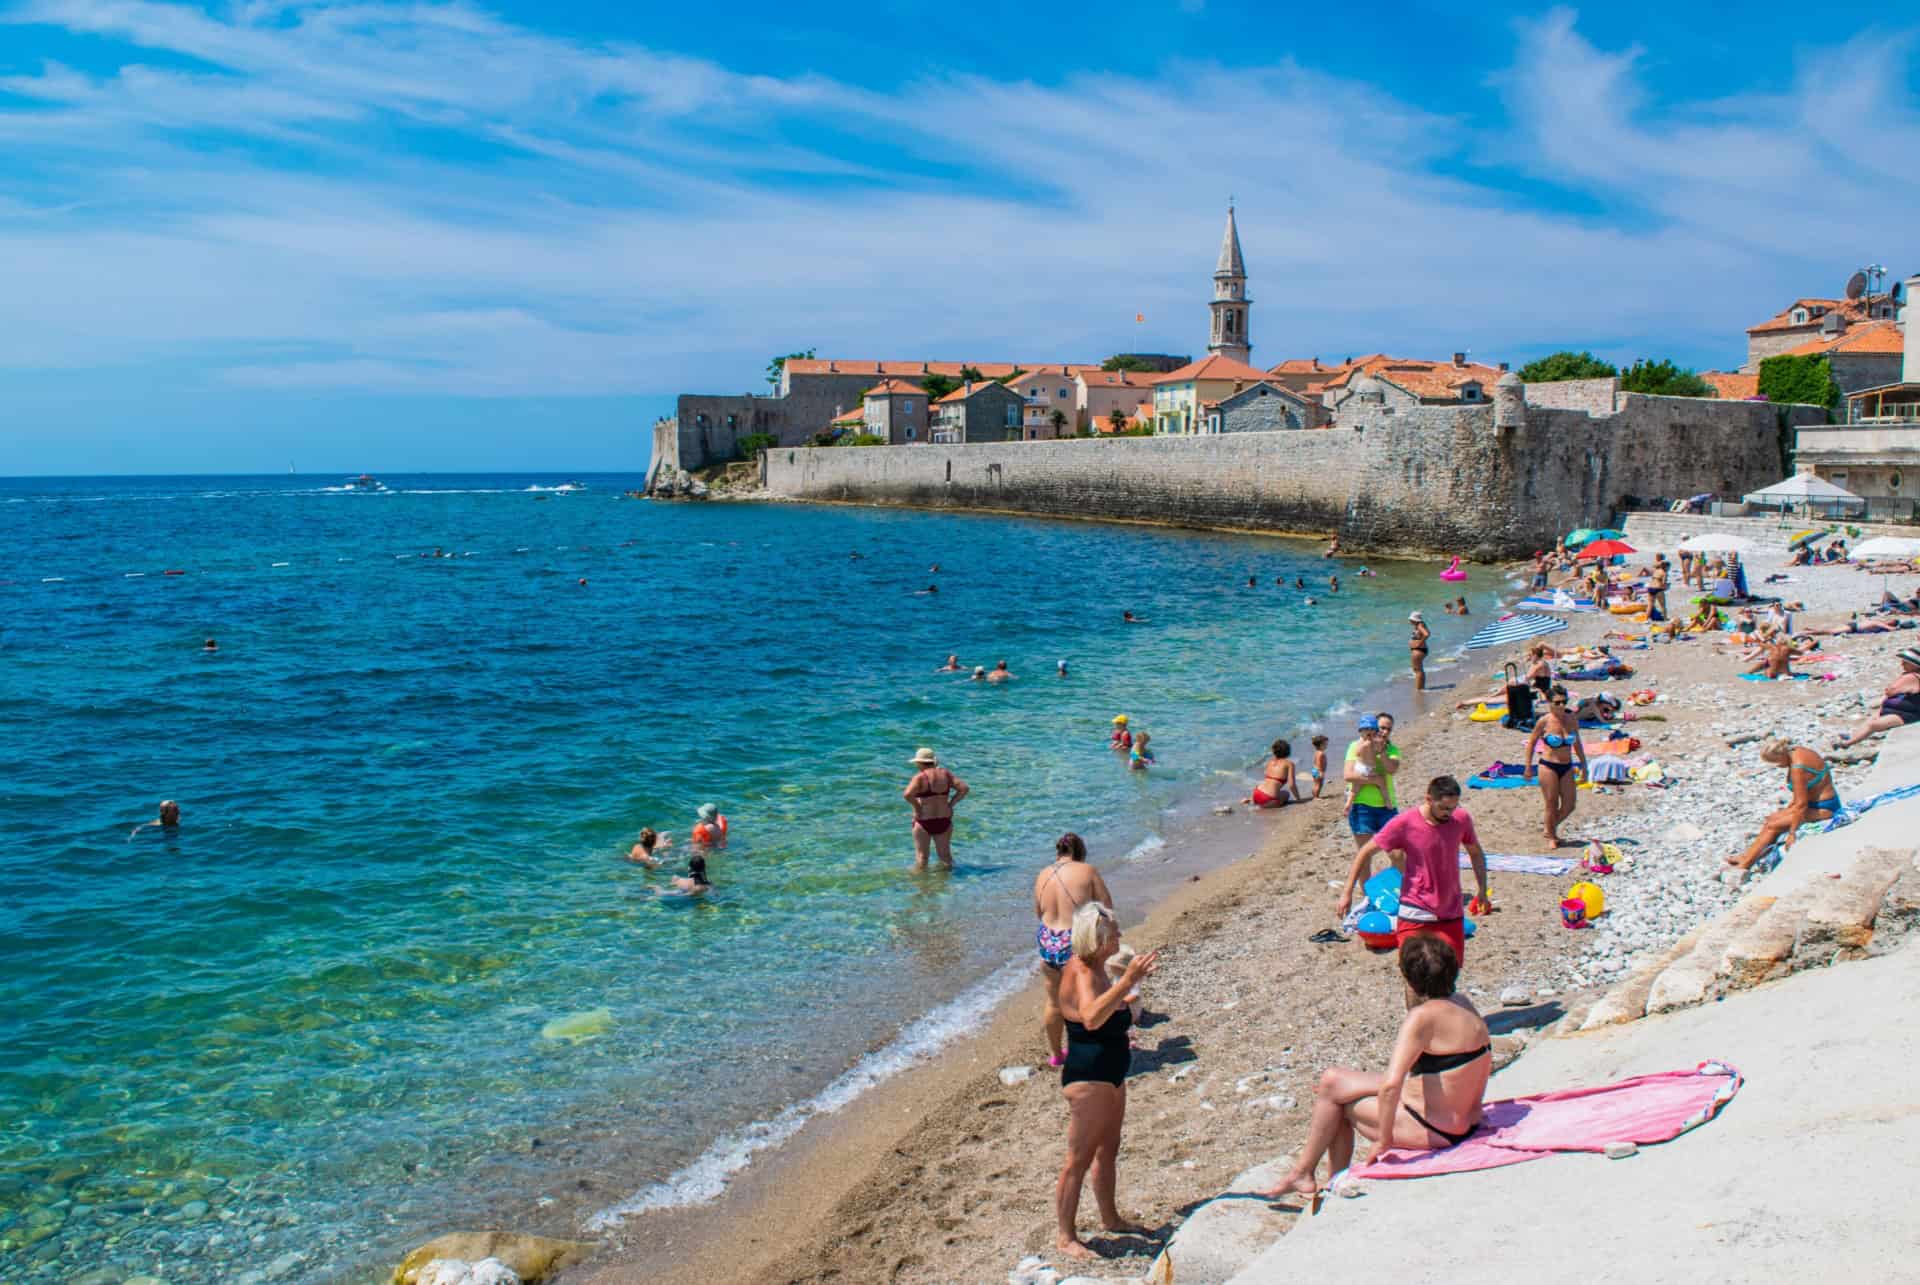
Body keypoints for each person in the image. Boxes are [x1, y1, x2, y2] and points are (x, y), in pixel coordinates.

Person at [1258, 935, 1491, 1209]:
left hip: (1437, 1128)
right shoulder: (1462, 1002)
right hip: (1461, 1116)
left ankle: (1326, 1177)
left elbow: (1391, 1086)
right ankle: (1304, 1173)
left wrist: (1384, 1139)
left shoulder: (1422, 1018)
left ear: (1410, 978)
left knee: (1339, 1104)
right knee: (1332, 1080)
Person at [1053, 902, 1158, 1260]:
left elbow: (1105, 1006)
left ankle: (1110, 1217)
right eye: (1115, 933)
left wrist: (1126, 992)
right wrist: (1127, 982)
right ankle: (1065, 1237)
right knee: (1078, 1159)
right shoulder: (1081, 970)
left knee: (1109, 1149)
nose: (1120, 937)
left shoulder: (1097, 967)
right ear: (1098, 939)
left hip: (1112, 1073)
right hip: (1089, 1077)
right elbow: (1091, 1017)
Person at [1337, 775, 1487, 963]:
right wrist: (1347, 892)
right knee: (1414, 977)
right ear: (1428, 799)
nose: (1449, 813)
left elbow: (1476, 853)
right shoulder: (1405, 823)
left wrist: (1482, 889)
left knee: (1449, 977)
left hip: (1451, 910)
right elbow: (1365, 851)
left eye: (1453, 807)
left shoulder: (1460, 819)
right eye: (1443, 808)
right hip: (1414, 909)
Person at [1034, 833, 1116, 1067]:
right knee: (1090, 995)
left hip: (1049, 940)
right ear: (1080, 853)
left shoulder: (1042, 874)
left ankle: (1057, 1055)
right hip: (1075, 939)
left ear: (1058, 852)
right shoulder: (1087, 871)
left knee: (1054, 1001)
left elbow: (1039, 913)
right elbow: (1107, 909)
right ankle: (1092, 1049)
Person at [1724, 739, 1841, 870]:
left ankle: (1746, 865)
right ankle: (1748, 856)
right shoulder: (1798, 751)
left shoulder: (1798, 768)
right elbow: (1804, 796)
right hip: (1818, 802)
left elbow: (1801, 805)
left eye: (1777, 762)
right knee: (1771, 819)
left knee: (1773, 826)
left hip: (1824, 808)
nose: (1778, 766)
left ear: (1781, 756)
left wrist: (1792, 833)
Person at [1524, 685, 1588, 846]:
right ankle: (1551, 836)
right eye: (1557, 702)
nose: (1561, 705)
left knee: (1569, 805)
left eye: (1564, 701)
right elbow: (1531, 743)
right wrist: (1528, 766)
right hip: (1548, 766)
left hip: (1567, 766)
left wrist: (1584, 765)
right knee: (1551, 803)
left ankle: (1549, 827)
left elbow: (1578, 743)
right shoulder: (1544, 721)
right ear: (1549, 702)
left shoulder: (1571, 718)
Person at [1834, 648, 1920, 748]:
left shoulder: (1912, 677)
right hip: (1899, 710)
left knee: (1873, 725)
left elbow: (1890, 691)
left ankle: (1847, 744)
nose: (1902, 664)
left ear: (1914, 665)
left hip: (1907, 714)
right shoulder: (1910, 676)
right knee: (1871, 719)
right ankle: (1853, 736)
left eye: (1905, 662)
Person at [1343, 716, 1400, 861]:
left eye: (1388, 729)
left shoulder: (1392, 750)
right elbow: (1348, 775)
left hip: (1387, 807)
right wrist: (1375, 781)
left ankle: (1396, 883)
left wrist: (1381, 752)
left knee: (1398, 853)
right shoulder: (1355, 745)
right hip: (1361, 806)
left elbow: (1391, 770)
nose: (1384, 731)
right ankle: (1365, 885)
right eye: (1382, 727)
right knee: (1364, 855)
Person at [904, 747, 969, 868]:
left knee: (922, 857)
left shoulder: (920, 777)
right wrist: (950, 805)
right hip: (944, 820)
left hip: (924, 821)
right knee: (945, 856)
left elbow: (907, 795)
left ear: (919, 762)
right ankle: (947, 884)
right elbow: (964, 788)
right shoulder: (945, 774)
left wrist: (917, 808)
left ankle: (922, 885)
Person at [1247, 738, 1301, 807]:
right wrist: (1298, 799)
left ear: (1274, 751)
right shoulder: (1289, 764)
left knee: (1270, 791)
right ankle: (1264, 806)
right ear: (1287, 751)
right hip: (1268, 798)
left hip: (1256, 793)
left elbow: (1267, 780)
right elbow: (1291, 785)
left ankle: (1252, 800)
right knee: (1286, 794)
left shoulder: (1269, 762)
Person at [1407, 612, 1431, 690]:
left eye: (1410, 619)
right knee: (1419, 670)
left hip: (1418, 650)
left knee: (1417, 670)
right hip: (1420, 650)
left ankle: (1419, 689)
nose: (1409, 621)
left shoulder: (1419, 625)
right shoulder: (1420, 625)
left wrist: (1419, 643)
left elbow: (1427, 634)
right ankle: (1421, 688)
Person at [1309, 734, 1329, 800]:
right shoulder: (1321, 753)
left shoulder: (1317, 752)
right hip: (1318, 771)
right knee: (1319, 785)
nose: (1327, 745)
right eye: (1325, 744)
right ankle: (1316, 797)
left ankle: (1314, 793)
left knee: (1316, 784)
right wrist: (1321, 772)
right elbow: (1318, 763)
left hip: (1315, 770)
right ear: (1321, 745)